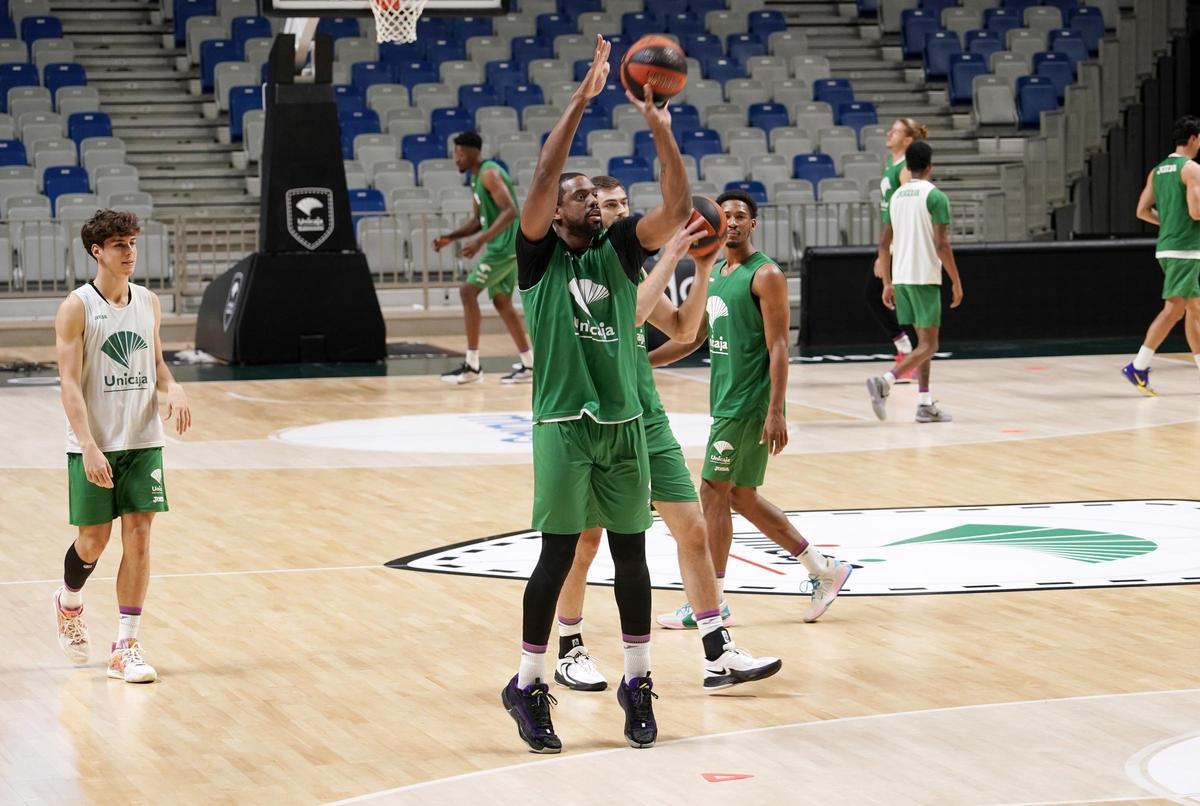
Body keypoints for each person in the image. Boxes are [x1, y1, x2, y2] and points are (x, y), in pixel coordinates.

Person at [500, 36, 691, 754]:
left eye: (594, 195)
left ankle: (637, 681)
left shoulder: (619, 250)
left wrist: (660, 129)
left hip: (623, 425)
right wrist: (582, 100)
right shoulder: (538, 256)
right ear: (556, 212)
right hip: (561, 425)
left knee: (634, 557)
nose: (587, 200)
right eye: (577, 195)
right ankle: (527, 684)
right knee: (555, 558)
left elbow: (675, 205)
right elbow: (546, 172)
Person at [552, 175, 781, 696]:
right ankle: (570, 647)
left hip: (646, 418)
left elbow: (683, 328)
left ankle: (717, 650)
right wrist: (675, 252)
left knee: (693, 530)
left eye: (622, 204)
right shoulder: (579, 270)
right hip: (594, 421)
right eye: (607, 205)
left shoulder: (633, 268)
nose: (616, 211)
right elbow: (628, 309)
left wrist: (700, 267)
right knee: (585, 542)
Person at [649, 190, 854, 625]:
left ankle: (712, 600)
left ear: (753, 224)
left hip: (746, 403)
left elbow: (780, 345)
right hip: (726, 400)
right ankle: (824, 569)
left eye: (741, 216)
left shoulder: (766, 275)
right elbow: (693, 335)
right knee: (741, 496)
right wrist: (641, 361)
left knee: (711, 492)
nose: (734, 222)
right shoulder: (718, 273)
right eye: (727, 217)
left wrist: (776, 409)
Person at [52, 209, 191, 684]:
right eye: (119, 245)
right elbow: (69, 385)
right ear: (97, 251)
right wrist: (87, 445)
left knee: (139, 536)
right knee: (93, 541)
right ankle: (69, 601)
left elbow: (156, 362)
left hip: (143, 440)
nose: (130, 252)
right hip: (96, 443)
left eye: (132, 243)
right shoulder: (76, 307)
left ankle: (125, 644)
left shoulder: (148, 302)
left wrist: (172, 388)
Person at [866, 141, 963, 422]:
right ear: (930, 166)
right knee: (930, 345)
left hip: (901, 277)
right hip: (924, 277)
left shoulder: (896, 197)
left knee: (922, 344)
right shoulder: (936, 196)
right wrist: (956, 280)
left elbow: (883, 244)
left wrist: (886, 282)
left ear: (907, 167)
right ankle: (885, 381)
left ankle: (924, 403)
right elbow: (941, 244)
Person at [434, 131, 535, 384]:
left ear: (471, 152)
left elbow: (510, 211)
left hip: (504, 247)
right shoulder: (477, 179)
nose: (455, 158)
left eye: (458, 153)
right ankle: (530, 365)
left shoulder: (489, 173)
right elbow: (478, 222)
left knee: (467, 292)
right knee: (502, 302)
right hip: (505, 246)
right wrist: (451, 236)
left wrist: (480, 241)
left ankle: (472, 366)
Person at [1123, 115, 1200, 394]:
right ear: (1194, 139)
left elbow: (1142, 211)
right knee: (1181, 311)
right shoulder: (1191, 169)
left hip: (1169, 247)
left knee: (1187, 310)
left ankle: (1139, 367)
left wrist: (1168, 223)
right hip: (1186, 249)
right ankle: (1138, 366)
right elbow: (1196, 212)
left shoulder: (1158, 170)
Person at [869, 118, 928, 382]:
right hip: (890, 242)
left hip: (899, 244)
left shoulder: (905, 168)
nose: (889, 133)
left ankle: (910, 353)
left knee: (881, 295)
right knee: (880, 296)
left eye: (896, 130)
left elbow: (907, 209)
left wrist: (891, 249)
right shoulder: (892, 164)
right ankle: (909, 352)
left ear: (907, 140)